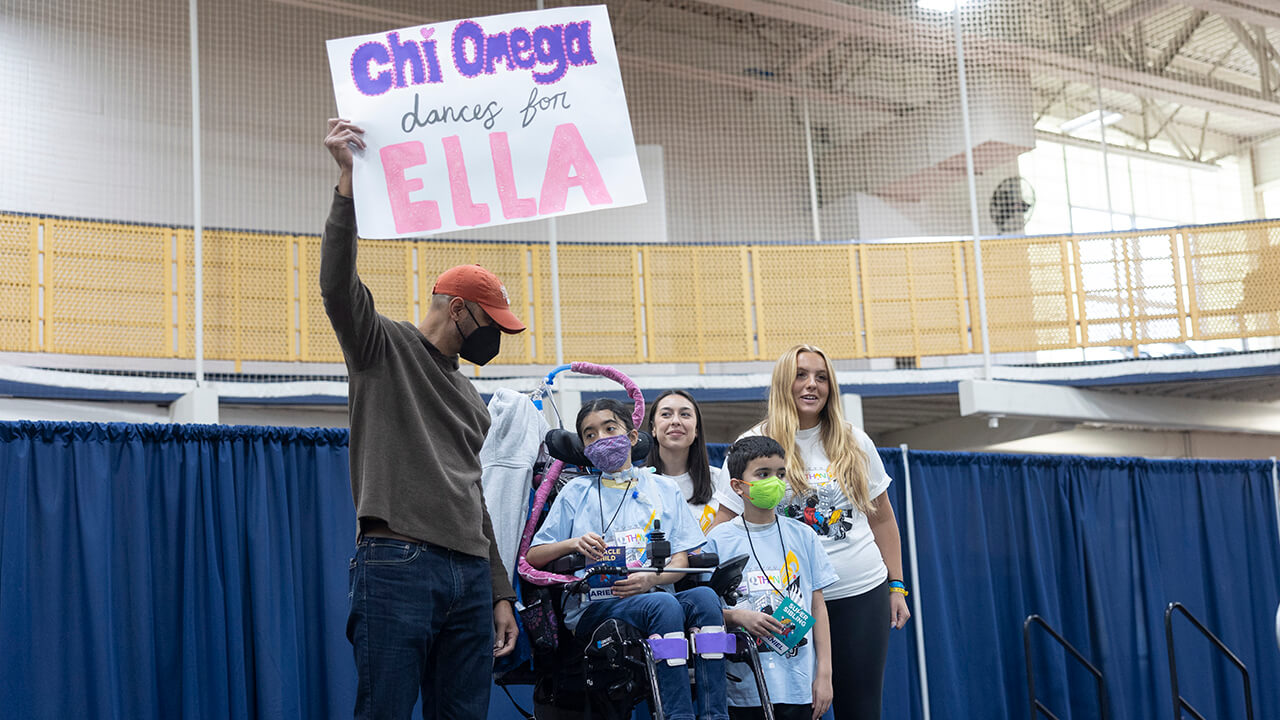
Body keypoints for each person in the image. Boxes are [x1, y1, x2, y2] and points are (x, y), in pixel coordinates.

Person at [320, 118, 520, 719]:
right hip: (397, 563)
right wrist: (347, 187)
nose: (495, 336)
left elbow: (473, 495)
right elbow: (336, 286)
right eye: (491, 322)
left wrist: (500, 590)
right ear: (458, 308)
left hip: (467, 573)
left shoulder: (469, 396)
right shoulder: (381, 347)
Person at [709, 344, 910, 720]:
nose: (811, 384)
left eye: (821, 377)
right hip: (787, 602)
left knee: (862, 709)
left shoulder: (855, 440)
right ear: (784, 382)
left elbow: (882, 519)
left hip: (858, 591)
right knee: (794, 710)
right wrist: (722, 605)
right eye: (801, 375)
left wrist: (896, 585)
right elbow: (723, 526)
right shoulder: (753, 444)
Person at [526, 398, 729, 720]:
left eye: (610, 428)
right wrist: (572, 543)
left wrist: (653, 579)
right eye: (590, 435)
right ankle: (678, 716)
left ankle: (714, 714)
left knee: (704, 597)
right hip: (596, 606)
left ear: (632, 437)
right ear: (584, 446)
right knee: (663, 605)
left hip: (656, 594)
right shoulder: (575, 493)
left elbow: (681, 558)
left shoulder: (663, 488)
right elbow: (533, 557)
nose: (601, 439)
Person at [704, 436, 835, 720]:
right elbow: (701, 609)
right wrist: (738, 617)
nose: (774, 482)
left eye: (780, 473)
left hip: (798, 686)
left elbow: (817, 606)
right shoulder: (718, 540)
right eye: (763, 474)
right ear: (738, 486)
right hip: (742, 689)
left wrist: (824, 674)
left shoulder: (804, 536)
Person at [646, 390, 718, 533]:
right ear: (653, 428)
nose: (675, 421)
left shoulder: (720, 480)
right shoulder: (636, 482)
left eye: (685, 414)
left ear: (696, 429)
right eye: (666, 414)